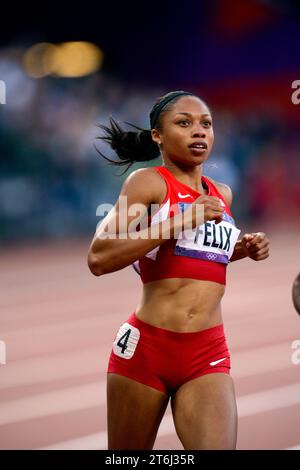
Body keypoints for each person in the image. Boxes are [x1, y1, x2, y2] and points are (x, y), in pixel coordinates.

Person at [87, 91, 270, 450]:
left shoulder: (221, 194)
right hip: (147, 349)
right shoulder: (147, 183)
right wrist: (178, 220)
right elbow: (99, 257)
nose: (198, 132)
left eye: (206, 124)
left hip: (207, 350)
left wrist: (240, 250)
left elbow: (194, 255)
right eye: (184, 123)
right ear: (158, 135)